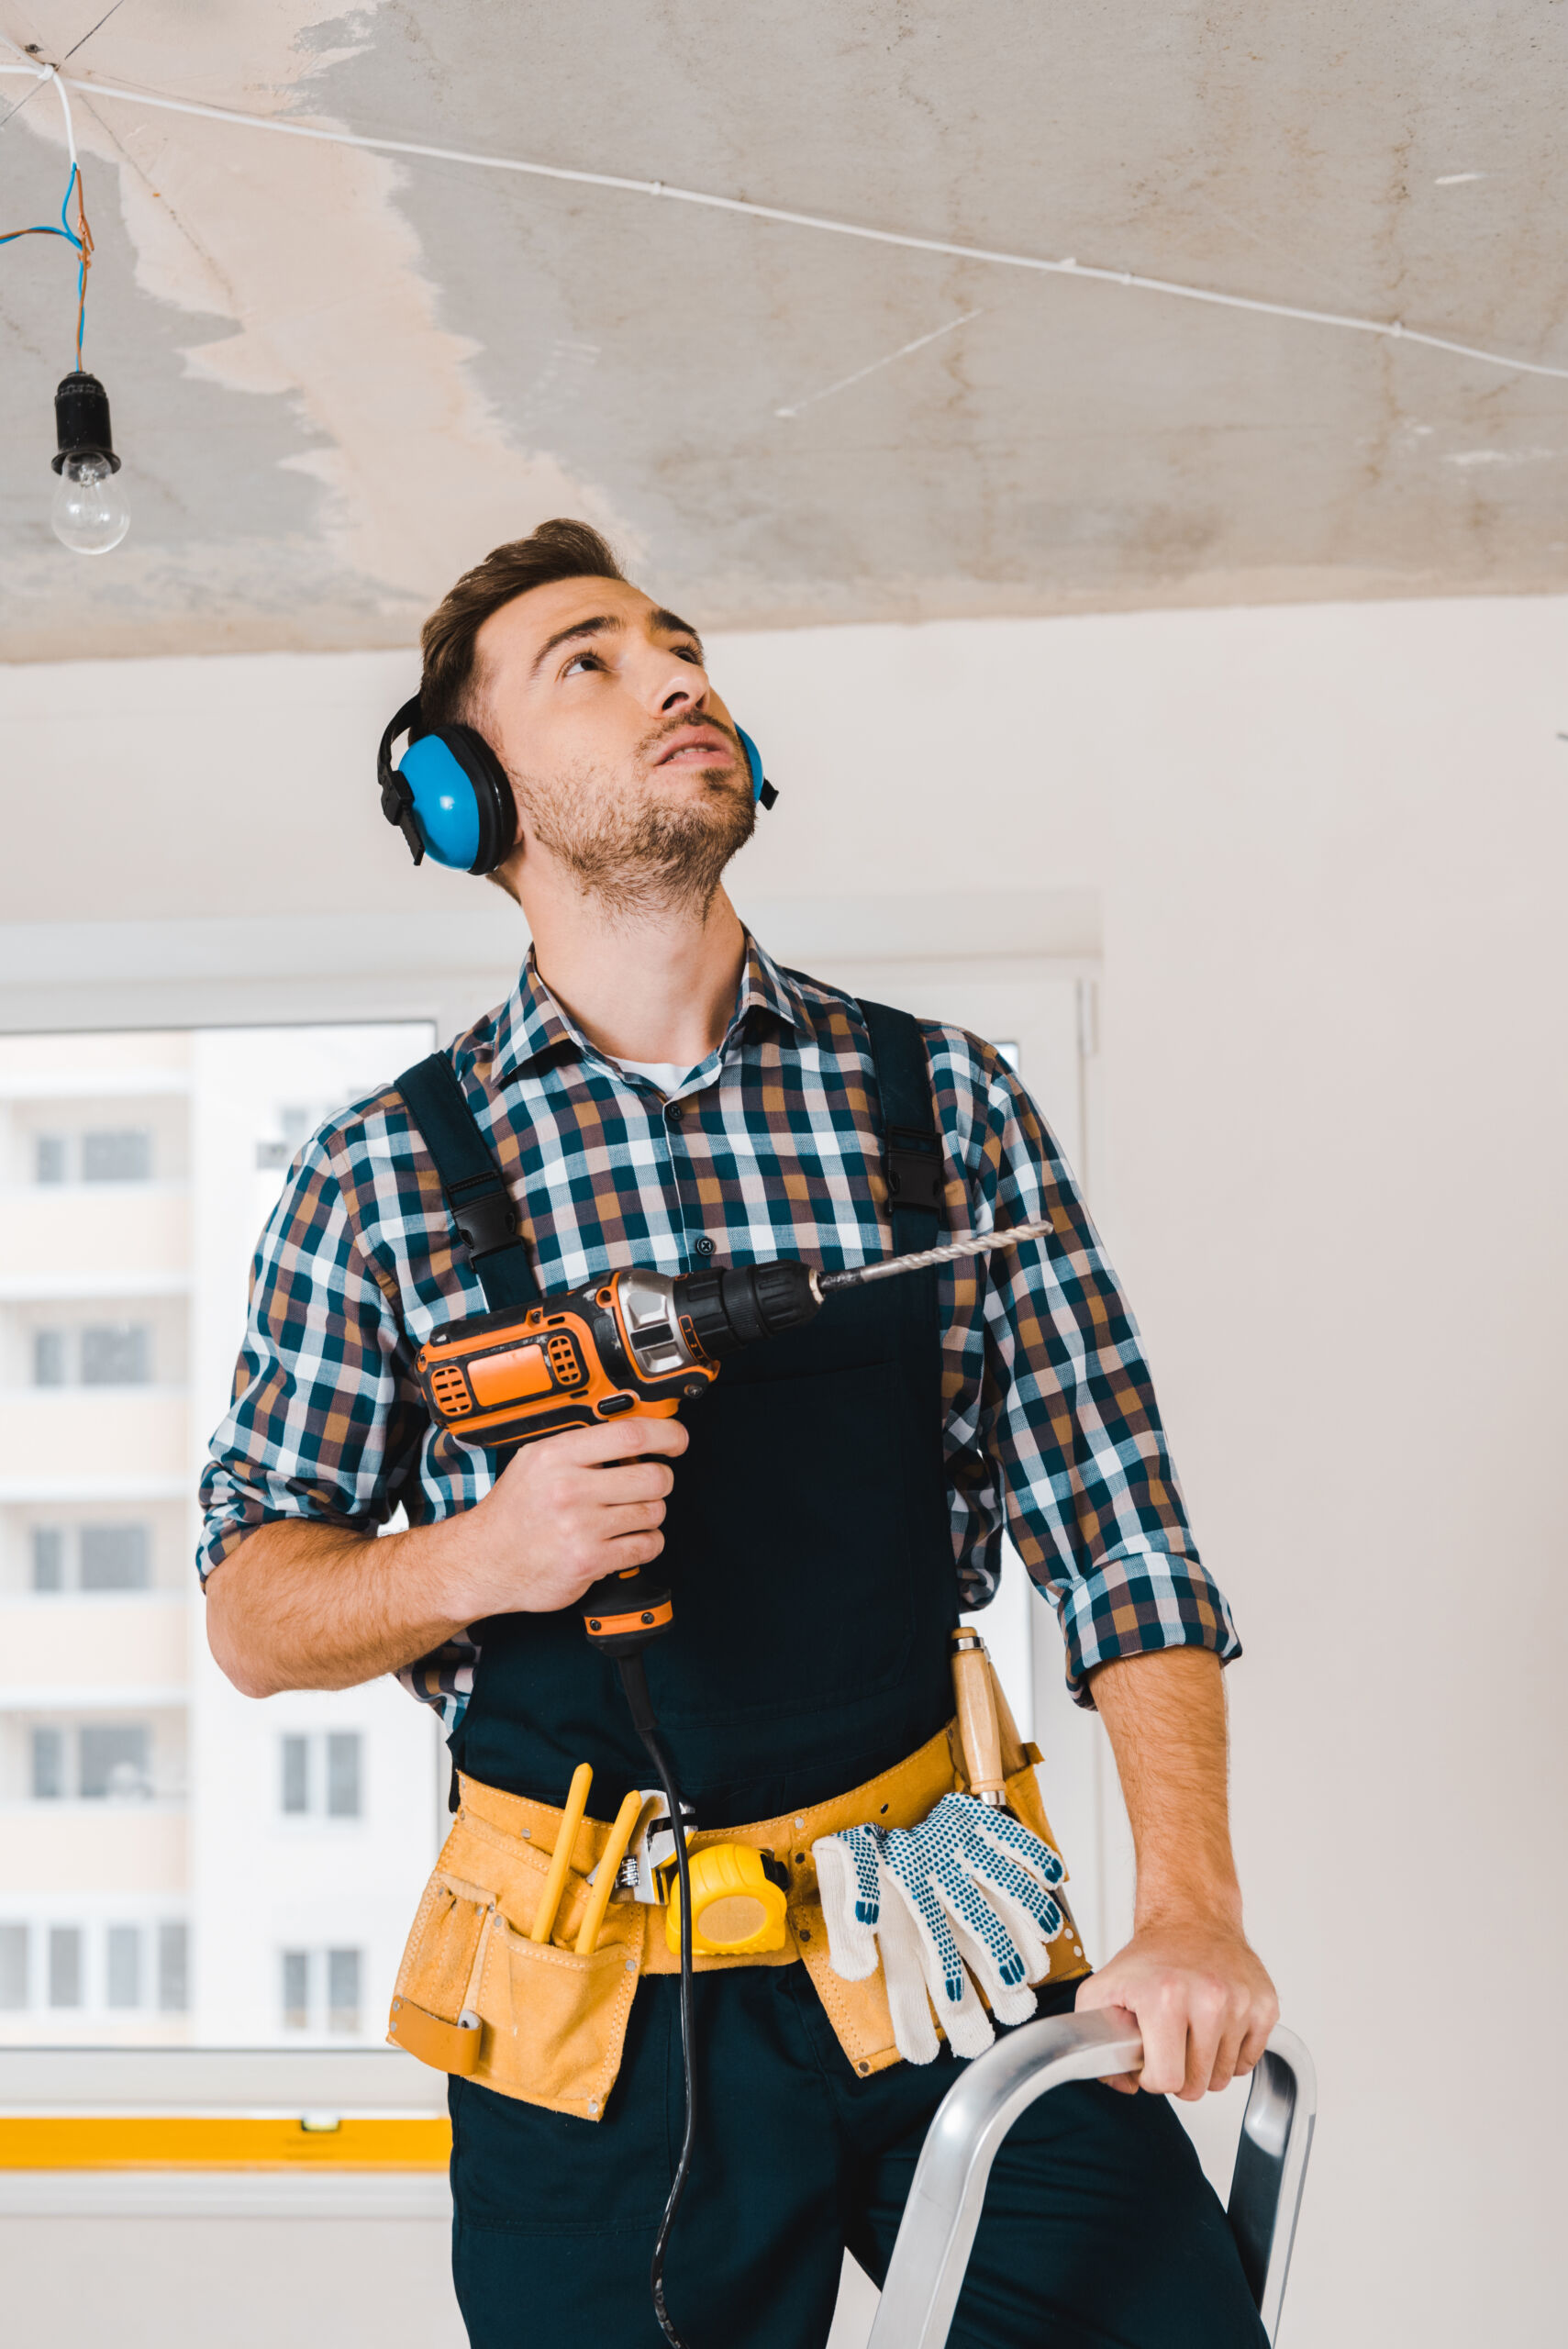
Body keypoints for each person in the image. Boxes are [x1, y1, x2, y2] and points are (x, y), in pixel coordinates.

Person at [200, 518, 1277, 2349]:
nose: (677, 676)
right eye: (590, 662)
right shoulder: (382, 1174)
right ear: (473, 798)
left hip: (937, 1929)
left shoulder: (940, 1103)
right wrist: (492, 1550)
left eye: (681, 646)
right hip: (587, 1996)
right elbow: (253, 1604)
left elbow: (1124, 1531)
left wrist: (1187, 1907)